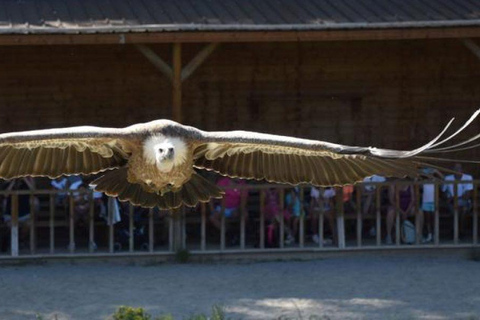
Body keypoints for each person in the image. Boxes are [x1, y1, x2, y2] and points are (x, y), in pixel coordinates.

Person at [209, 177, 248, 245]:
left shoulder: (243, 184)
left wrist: (238, 209)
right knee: (213, 217)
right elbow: (211, 196)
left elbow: (243, 202)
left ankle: (239, 235)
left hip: (235, 208)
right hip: (222, 208)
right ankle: (228, 233)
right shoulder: (222, 182)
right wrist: (213, 210)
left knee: (245, 215)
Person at [2, 177, 39, 247]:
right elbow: (5, 194)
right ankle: (10, 242)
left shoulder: (29, 180)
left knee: (28, 224)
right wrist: (13, 181)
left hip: (24, 211)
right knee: (10, 225)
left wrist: (25, 179)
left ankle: (21, 239)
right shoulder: (8, 181)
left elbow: (33, 191)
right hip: (10, 212)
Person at [385, 180, 423, 245]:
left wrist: (407, 211)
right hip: (396, 207)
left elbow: (413, 199)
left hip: (408, 207)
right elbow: (391, 200)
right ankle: (389, 235)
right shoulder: (392, 185)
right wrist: (401, 211)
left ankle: (419, 234)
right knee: (390, 213)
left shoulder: (410, 184)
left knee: (419, 212)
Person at [442, 163, 473, 236]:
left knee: (463, 210)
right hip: (452, 202)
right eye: (455, 168)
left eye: (459, 168)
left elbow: (467, 196)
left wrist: (453, 197)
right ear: (452, 170)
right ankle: (458, 231)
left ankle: (458, 231)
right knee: (455, 210)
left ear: (462, 169)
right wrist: (449, 197)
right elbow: (443, 193)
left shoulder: (468, 178)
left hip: (464, 202)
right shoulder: (447, 178)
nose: (457, 170)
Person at [420, 167, 443, 243]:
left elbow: (444, 179)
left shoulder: (436, 181)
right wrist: (422, 172)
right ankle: (429, 234)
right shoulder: (423, 181)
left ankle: (435, 234)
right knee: (427, 220)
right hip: (425, 202)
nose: (429, 174)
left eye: (430, 173)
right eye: (428, 173)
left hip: (434, 202)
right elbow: (415, 179)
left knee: (434, 219)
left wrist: (437, 171)